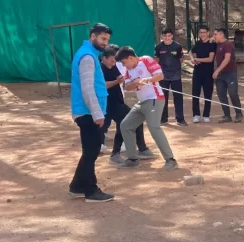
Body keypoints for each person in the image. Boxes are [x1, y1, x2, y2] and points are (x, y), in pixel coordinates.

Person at [68, 24, 114, 202]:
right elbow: (88, 89)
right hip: (88, 113)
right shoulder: (87, 57)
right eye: (103, 39)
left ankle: (77, 186)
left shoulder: (89, 54)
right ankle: (91, 190)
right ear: (93, 36)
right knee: (91, 151)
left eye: (107, 40)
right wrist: (97, 114)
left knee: (91, 150)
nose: (105, 43)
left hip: (88, 111)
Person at [116, 46, 178, 170]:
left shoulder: (145, 60)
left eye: (124, 62)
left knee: (154, 127)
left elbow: (160, 75)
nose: (124, 66)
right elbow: (127, 87)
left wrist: (148, 79)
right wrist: (136, 83)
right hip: (142, 102)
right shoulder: (128, 70)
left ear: (131, 58)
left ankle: (170, 159)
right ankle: (133, 159)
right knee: (125, 125)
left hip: (154, 98)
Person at [99, 46, 154, 165]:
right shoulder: (99, 69)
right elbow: (101, 85)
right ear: (104, 58)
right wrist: (116, 81)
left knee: (136, 120)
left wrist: (123, 79)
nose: (114, 64)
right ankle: (115, 154)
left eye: (115, 61)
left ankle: (142, 149)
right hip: (107, 103)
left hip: (118, 101)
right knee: (124, 123)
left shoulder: (113, 66)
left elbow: (120, 79)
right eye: (111, 61)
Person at [156, 29, 187, 126]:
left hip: (176, 76)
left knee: (178, 97)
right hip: (163, 76)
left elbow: (181, 59)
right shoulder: (158, 46)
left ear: (172, 36)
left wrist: (175, 67)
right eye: (165, 36)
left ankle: (180, 119)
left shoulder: (177, 46)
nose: (167, 38)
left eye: (169, 36)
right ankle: (163, 118)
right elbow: (157, 60)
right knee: (163, 98)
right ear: (162, 36)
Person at [212, 28, 242, 123]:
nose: (214, 36)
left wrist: (217, 70)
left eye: (215, 34)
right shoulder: (217, 44)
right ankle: (227, 115)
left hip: (230, 73)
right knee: (221, 94)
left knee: (233, 93)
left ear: (221, 34)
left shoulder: (227, 44)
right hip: (221, 75)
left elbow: (227, 59)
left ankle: (238, 113)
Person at [189, 25, 216, 124]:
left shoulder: (212, 44)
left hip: (208, 73)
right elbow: (190, 51)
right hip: (197, 72)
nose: (202, 34)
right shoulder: (198, 43)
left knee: (207, 94)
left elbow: (210, 59)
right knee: (195, 93)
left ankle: (206, 115)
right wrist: (192, 59)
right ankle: (196, 114)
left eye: (204, 32)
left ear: (208, 33)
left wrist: (197, 59)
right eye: (201, 32)